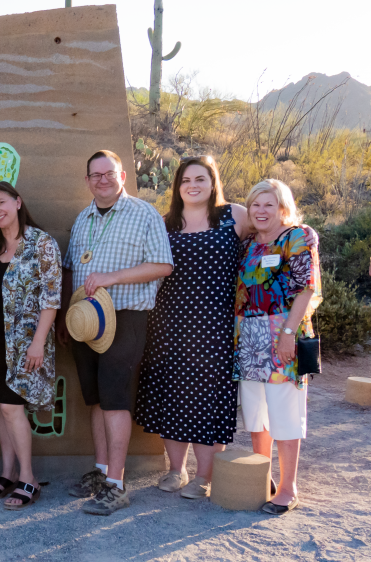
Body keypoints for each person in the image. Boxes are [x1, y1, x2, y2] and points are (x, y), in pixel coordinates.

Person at [56, 150, 173, 516]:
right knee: (95, 397)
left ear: (123, 176)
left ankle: (117, 486)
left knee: (115, 397)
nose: (102, 179)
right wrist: (65, 316)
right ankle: (102, 471)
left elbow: (163, 265)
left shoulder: (144, 214)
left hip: (125, 317)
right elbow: (72, 268)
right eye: (95, 175)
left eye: (109, 173)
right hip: (85, 320)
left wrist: (112, 278)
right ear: (87, 180)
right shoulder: (83, 219)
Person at [133, 156, 245, 498]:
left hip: (216, 325)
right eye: (185, 180)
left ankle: (205, 478)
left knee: (209, 397)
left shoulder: (234, 216)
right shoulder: (164, 223)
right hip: (168, 323)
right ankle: (176, 471)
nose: (193, 185)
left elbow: (273, 231)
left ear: (213, 183)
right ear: (177, 186)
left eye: (200, 179)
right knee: (170, 395)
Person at [0, 182, 62, 510]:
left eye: (2, 202)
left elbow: (52, 298)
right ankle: (7, 473)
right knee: (0, 406)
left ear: (18, 202)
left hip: (25, 345)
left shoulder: (41, 243)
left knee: (12, 407)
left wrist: (38, 342)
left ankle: (28, 478)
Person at [233, 179, 321, 515]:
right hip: (248, 338)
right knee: (256, 414)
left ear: (282, 206)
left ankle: (288, 487)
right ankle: (263, 477)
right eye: (255, 204)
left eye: (268, 204)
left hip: (282, 334)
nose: (260, 210)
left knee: (284, 411)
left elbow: (306, 289)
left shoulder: (298, 236)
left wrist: (288, 333)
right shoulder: (249, 244)